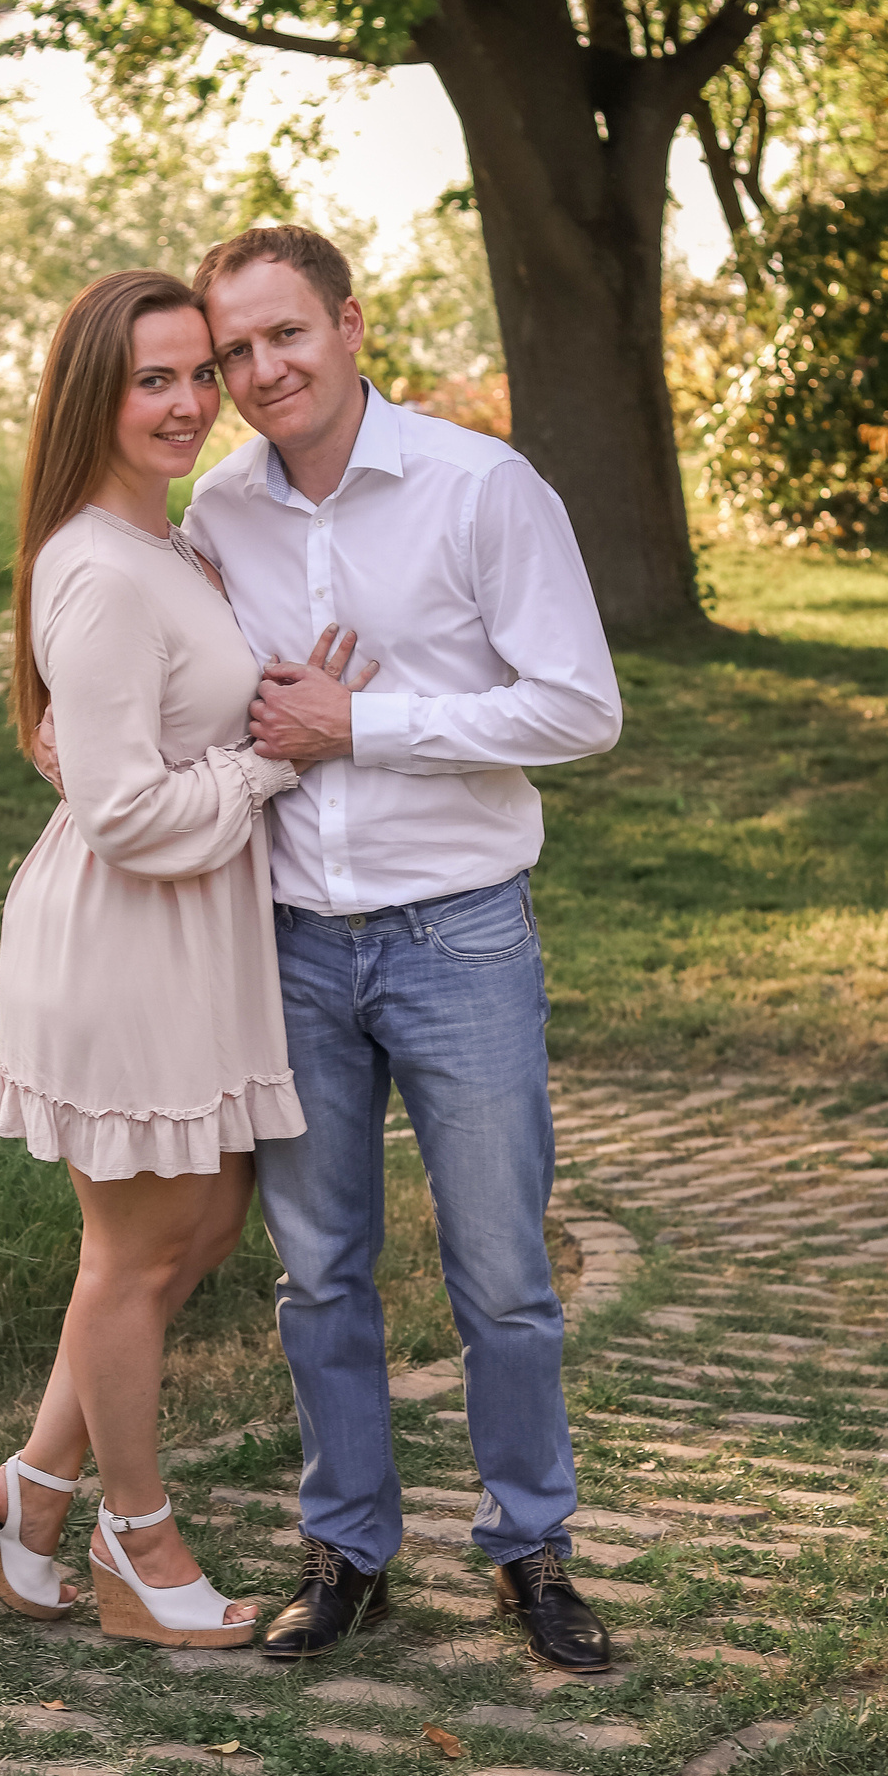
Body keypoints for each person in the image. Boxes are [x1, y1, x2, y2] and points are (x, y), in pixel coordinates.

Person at [187, 224, 624, 1669]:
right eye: (235, 349)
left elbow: (578, 707)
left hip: (459, 936)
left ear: (352, 324)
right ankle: (347, 1551)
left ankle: (531, 1552)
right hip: (294, 943)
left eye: (285, 336)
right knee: (318, 1273)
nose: (261, 371)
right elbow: (183, 687)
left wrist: (358, 723)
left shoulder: (479, 489)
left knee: (501, 1269)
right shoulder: (221, 517)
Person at [0, 268, 372, 1647]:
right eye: (154, 381)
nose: (191, 404)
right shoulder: (101, 566)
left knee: (200, 1225)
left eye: (199, 373)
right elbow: (121, 812)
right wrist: (262, 768)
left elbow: (120, 739)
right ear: (93, 398)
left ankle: (22, 1499)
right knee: (132, 1253)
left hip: (186, 934)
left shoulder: (163, 544)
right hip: (128, 934)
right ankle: (138, 1545)